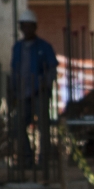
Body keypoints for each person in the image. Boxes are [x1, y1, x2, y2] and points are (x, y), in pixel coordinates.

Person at [10, 9, 58, 167]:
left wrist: (46, 83)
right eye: (24, 26)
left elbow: (52, 68)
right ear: (20, 28)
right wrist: (13, 91)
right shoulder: (17, 47)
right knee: (18, 124)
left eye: (30, 26)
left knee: (43, 127)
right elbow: (14, 70)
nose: (27, 29)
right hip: (23, 92)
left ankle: (44, 160)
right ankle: (26, 158)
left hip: (40, 92)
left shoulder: (44, 47)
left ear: (35, 27)